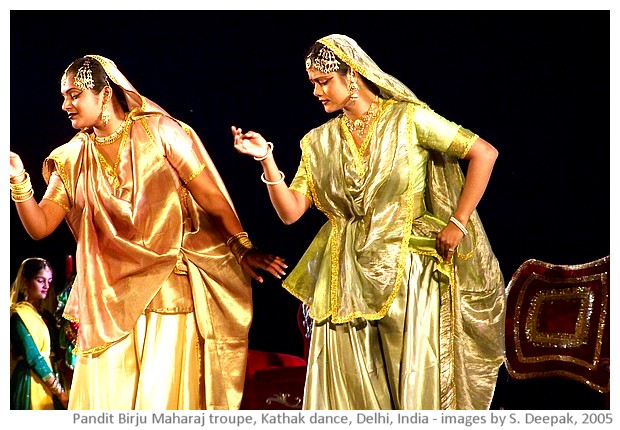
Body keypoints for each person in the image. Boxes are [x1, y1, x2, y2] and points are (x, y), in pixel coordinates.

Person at [232, 34, 505, 410]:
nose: (315, 91)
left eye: (323, 81)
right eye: (312, 82)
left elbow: (484, 153)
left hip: (408, 272)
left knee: (412, 389)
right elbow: (291, 212)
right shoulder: (318, 142)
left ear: (353, 76)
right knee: (348, 397)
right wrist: (266, 160)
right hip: (342, 279)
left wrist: (458, 222)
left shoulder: (407, 120)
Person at [9, 55, 287, 410]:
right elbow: (39, 226)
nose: (65, 105)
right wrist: (19, 179)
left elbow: (212, 199)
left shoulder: (161, 133)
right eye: (64, 96)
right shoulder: (71, 157)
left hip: (167, 293)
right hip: (107, 301)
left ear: (104, 93)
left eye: (74, 94)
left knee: (162, 405)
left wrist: (242, 247)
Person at [10, 257, 69, 410]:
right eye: (40, 280)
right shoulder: (18, 316)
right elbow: (34, 358)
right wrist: (60, 393)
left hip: (54, 378)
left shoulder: (48, 316)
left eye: (49, 281)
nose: (46, 286)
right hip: (31, 380)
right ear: (25, 281)